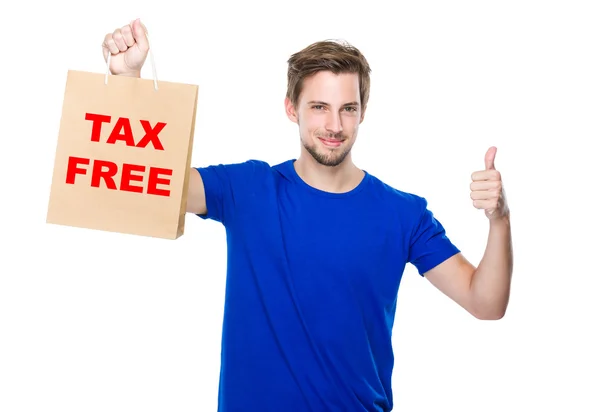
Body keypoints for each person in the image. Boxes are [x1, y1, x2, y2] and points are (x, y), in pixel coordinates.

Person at [102, 19, 513, 412]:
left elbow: (486, 302)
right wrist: (127, 84)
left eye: (347, 109)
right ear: (291, 108)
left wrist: (499, 220)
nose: (334, 125)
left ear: (363, 111)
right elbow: (153, 185)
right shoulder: (248, 189)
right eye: (319, 107)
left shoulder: (403, 214)